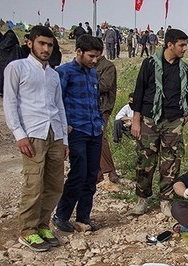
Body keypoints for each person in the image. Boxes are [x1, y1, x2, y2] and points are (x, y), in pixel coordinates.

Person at [3, 25, 68, 252]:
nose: (46, 48)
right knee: (34, 183)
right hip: (32, 134)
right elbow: (9, 103)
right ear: (30, 42)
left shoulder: (53, 74)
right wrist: (19, 134)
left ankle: (42, 225)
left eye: (50, 45)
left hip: (54, 134)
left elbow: (59, 106)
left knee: (55, 184)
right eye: (41, 43)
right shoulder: (17, 68)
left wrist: (64, 140)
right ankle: (27, 230)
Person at [129, 28, 188, 218]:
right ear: (170, 45)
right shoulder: (149, 64)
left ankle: (165, 201)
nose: (185, 49)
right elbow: (139, 91)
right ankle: (142, 200)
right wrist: (136, 120)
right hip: (150, 119)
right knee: (145, 160)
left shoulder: (185, 69)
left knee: (171, 162)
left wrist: (185, 115)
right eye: (181, 45)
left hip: (174, 121)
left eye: (185, 44)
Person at [52, 34, 104, 233]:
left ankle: (84, 216)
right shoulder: (64, 72)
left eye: (97, 57)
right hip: (77, 132)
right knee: (78, 173)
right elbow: (56, 103)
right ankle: (62, 216)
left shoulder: (92, 73)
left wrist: (99, 123)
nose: (94, 60)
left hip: (93, 131)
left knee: (91, 176)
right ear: (79, 52)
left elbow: (95, 101)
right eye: (91, 56)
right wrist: (64, 126)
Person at [95, 52, 119, 184]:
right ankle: (97, 173)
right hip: (89, 107)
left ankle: (110, 170)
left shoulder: (107, 66)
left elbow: (105, 86)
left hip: (102, 107)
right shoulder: (89, 65)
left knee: (100, 136)